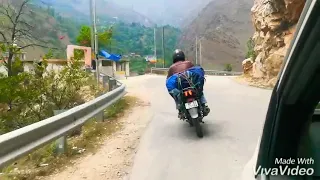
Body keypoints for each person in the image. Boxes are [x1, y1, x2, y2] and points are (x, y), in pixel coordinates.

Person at [166, 49, 210, 118]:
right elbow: (194, 71)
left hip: (181, 88)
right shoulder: (188, 63)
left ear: (174, 58)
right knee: (199, 91)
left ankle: (180, 110)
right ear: (183, 56)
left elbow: (168, 80)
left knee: (177, 96)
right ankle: (204, 105)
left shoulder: (171, 68)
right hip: (191, 85)